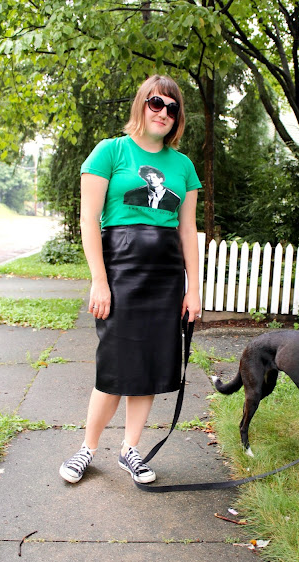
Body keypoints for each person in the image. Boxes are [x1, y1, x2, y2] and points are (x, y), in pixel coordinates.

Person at [59, 75, 202, 485]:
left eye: (172, 107)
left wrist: (193, 288)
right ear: (142, 104)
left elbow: (187, 230)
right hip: (120, 270)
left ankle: (130, 450)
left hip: (166, 276)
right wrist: (99, 281)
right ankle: (88, 448)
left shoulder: (183, 166)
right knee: (115, 365)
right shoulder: (110, 151)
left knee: (150, 365)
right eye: (157, 103)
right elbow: (89, 220)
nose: (164, 112)